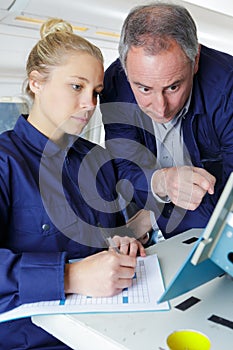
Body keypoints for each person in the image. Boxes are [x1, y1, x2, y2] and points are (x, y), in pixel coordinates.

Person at [0, 18, 146, 349]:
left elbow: (109, 238)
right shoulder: (5, 161)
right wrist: (71, 276)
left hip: (113, 327)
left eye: (95, 92)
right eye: (76, 87)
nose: (90, 105)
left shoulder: (97, 160)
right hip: (36, 340)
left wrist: (122, 245)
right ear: (36, 82)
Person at [100, 2, 233, 239]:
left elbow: (230, 197)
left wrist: (152, 218)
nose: (161, 109)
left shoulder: (228, 88)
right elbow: (123, 165)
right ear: (126, 70)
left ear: (196, 60)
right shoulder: (115, 84)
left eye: (173, 86)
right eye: (144, 88)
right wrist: (160, 182)